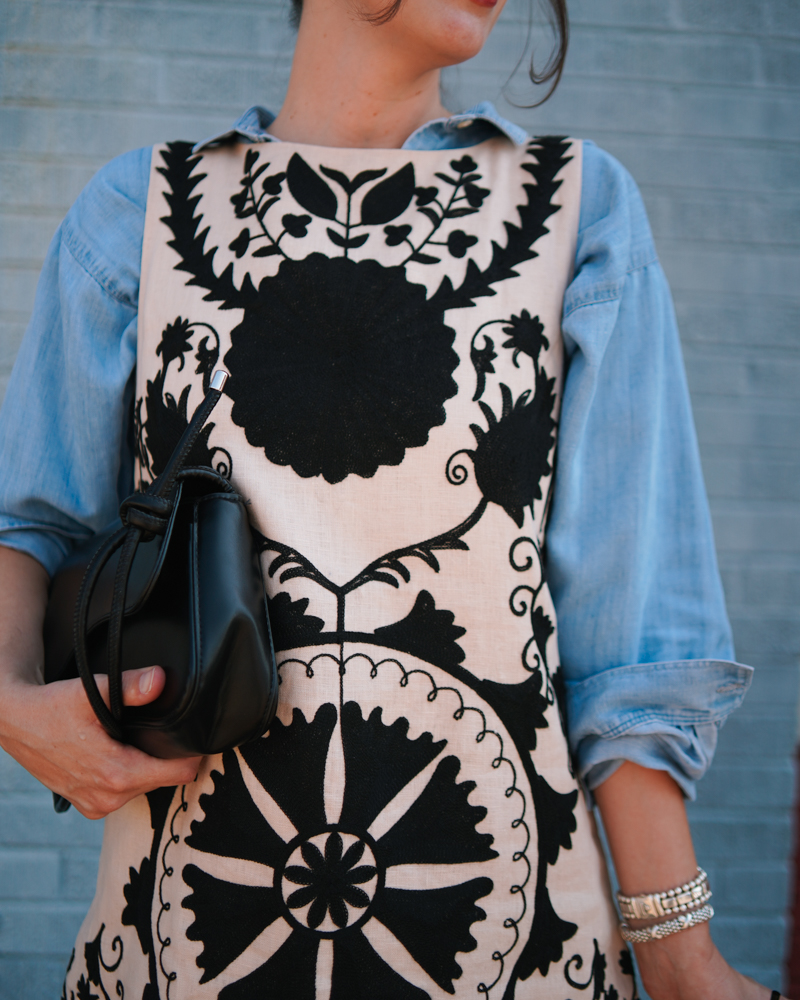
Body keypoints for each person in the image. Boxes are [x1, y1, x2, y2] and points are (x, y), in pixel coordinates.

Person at [0, 1, 782, 997]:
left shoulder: (574, 207)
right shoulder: (138, 212)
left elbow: (627, 640)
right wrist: (12, 704)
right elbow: (30, 517)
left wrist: (676, 953)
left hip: (513, 947)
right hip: (180, 937)